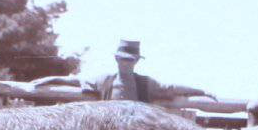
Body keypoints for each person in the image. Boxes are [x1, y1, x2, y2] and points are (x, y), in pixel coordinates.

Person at [33, 39, 216, 103]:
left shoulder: (145, 83)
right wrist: (51, 79)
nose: (126, 64)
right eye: (123, 59)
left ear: (136, 61)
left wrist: (203, 91)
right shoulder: (105, 80)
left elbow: (173, 88)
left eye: (130, 60)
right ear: (116, 59)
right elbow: (76, 81)